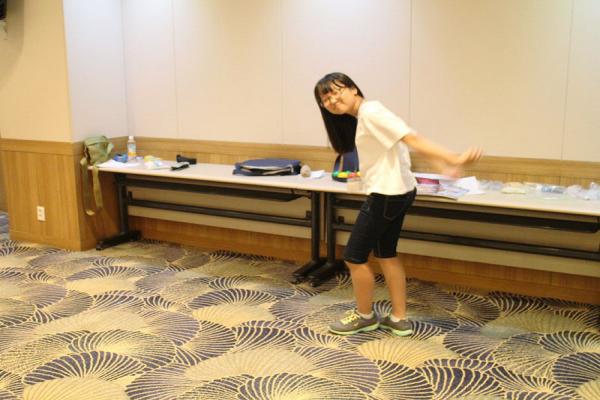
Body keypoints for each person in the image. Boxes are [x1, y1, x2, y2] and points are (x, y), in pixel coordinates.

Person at [314, 72, 481, 336]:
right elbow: (403, 144)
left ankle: (364, 316)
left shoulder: (371, 112)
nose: (332, 100)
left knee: (354, 257)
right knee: (386, 254)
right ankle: (399, 318)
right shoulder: (365, 115)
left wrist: (453, 159)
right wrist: (442, 165)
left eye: (336, 91)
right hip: (399, 192)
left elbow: (411, 138)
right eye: (325, 99)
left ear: (353, 89)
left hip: (386, 195)